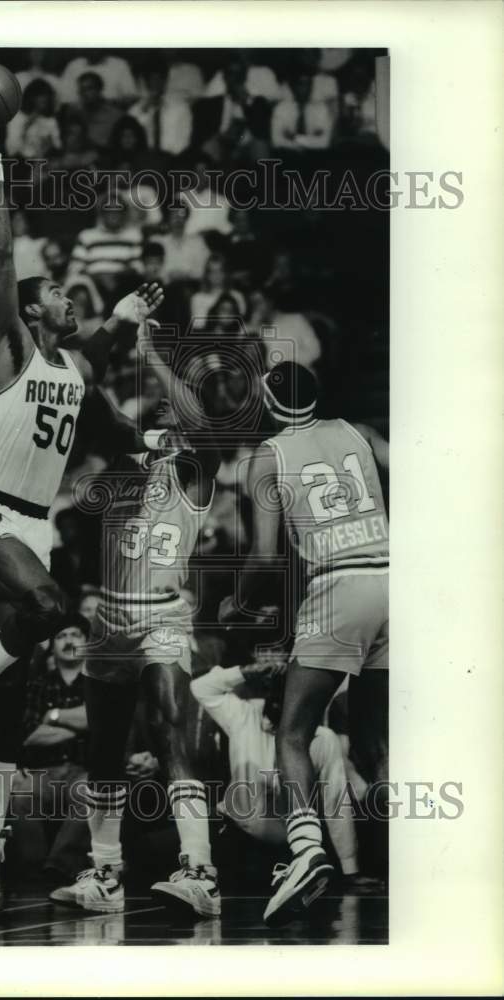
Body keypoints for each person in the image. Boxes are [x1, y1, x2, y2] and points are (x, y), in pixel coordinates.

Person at [0, 96, 165, 916]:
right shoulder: (11, 346)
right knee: (45, 605)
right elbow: (3, 247)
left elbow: (102, 387)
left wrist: (148, 441)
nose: (73, 300)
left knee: (13, 702)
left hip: (38, 522)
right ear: (33, 309)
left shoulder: (76, 369)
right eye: (62, 295)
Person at [50, 327, 223, 919]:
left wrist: (152, 355)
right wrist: (95, 345)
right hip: (111, 620)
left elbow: (201, 425)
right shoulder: (125, 463)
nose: (172, 419)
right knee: (104, 747)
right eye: (165, 415)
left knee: (171, 730)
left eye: (177, 414)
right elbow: (100, 411)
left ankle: (201, 871)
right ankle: (105, 874)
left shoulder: (196, 470)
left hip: (163, 617)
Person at [219, 361, 389, 926]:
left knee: (293, 731)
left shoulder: (268, 455)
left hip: (338, 584)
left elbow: (267, 555)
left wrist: (238, 604)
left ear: (268, 405)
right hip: (391, 577)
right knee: (375, 740)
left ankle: (305, 850)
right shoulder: (353, 432)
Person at [191, 657, 361, 880]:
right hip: (234, 834)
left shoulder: (322, 739)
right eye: (275, 690)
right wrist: (246, 670)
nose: (278, 701)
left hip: (287, 846)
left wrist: (350, 871)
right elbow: (200, 688)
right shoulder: (245, 714)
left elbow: (336, 804)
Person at [9, 614, 92, 884]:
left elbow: (99, 722)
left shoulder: (99, 686)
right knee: (21, 795)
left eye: (76, 635)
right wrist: (79, 726)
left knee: (91, 792)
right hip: (42, 771)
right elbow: (30, 735)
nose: (69, 641)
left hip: (84, 770)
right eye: (61, 636)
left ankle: (59, 868)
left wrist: (53, 716)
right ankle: (33, 871)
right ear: (52, 646)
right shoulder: (37, 685)